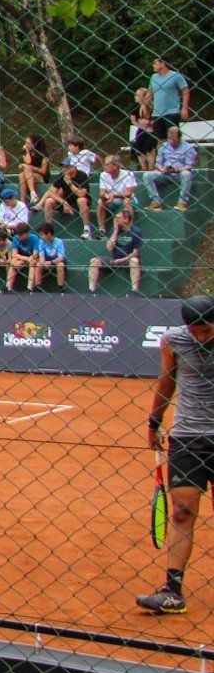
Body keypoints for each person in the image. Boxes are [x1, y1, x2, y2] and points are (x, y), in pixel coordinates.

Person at [137, 296, 214, 615]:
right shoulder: (174, 341)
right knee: (182, 513)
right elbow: (166, 383)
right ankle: (173, 590)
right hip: (186, 438)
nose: (201, 336)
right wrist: (154, 423)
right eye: (195, 331)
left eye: (207, 330)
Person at [88, 206, 144, 292]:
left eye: (118, 217)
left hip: (128, 259)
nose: (115, 219)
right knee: (93, 260)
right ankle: (91, 289)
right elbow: (109, 248)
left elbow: (136, 252)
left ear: (126, 219)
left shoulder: (136, 231)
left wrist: (122, 260)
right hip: (114, 259)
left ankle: (134, 290)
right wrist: (115, 230)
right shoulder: (114, 230)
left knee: (134, 261)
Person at [146, 127, 198, 210]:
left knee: (186, 174)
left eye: (174, 140)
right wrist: (162, 169)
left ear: (179, 138)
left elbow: (189, 165)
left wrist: (177, 169)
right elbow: (158, 163)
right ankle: (156, 202)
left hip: (179, 173)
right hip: (166, 173)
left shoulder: (188, 147)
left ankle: (182, 203)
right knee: (147, 175)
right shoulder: (164, 146)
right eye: (170, 139)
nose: (171, 142)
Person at [149, 55, 191, 135]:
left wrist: (184, 108)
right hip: (156, 113)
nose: (153, 65)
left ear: (162, 64)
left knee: (173, 137)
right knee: (159, 140)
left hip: (171, 112)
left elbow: (185, 91)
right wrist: (145, 105)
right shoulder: (153, 77)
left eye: (155, 63)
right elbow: (150, 92)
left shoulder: (175, 76)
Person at [32, 221, 69, 292]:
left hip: (57, 261)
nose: (40, 236)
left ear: (48, 234)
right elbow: (41, 255)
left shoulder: (59, 242)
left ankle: (60, 287)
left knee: (60, 265)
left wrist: (51, 262)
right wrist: (42, 261)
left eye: (41, 234)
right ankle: (38, 286)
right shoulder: (41, 242)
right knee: (38, 264)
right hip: (47, 261)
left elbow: (61, 258)